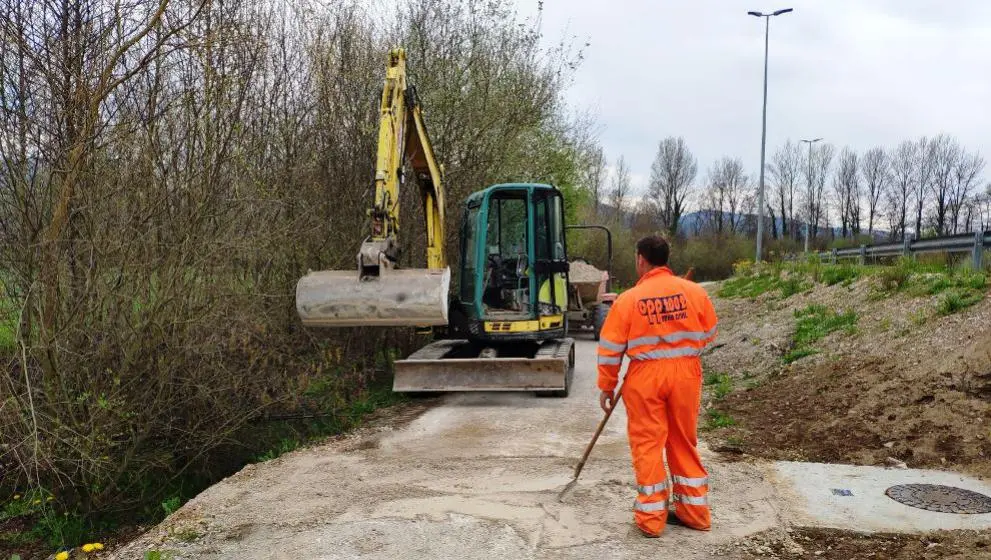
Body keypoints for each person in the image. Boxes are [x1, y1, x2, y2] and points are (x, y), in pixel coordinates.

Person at [596, 234, 718, 538]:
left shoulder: (628, 300)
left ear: (641, 258)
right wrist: (683, 348)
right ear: (667, 257)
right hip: (686, 375)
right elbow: (710, 331)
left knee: (648, 442)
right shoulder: (693, 293)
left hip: (645, 377)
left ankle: (651, 519)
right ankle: (695, 513)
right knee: (682, 440)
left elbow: (611, 348)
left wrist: (607, 386)